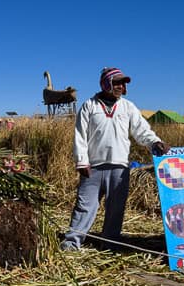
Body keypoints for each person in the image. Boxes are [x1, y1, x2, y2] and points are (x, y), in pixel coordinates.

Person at [61, 67, 170, 251]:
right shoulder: (90, 105)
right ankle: (72, 243)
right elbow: (80, 135)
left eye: (122, 83)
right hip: (93, 166)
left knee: (116, 208)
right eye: (116, 82)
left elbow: (141, 130)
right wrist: (81, 161)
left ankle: (110, 243)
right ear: (106, 83)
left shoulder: (127, 107)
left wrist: (155, 142)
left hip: (119, 167)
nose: (120, 86)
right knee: (84, 206)